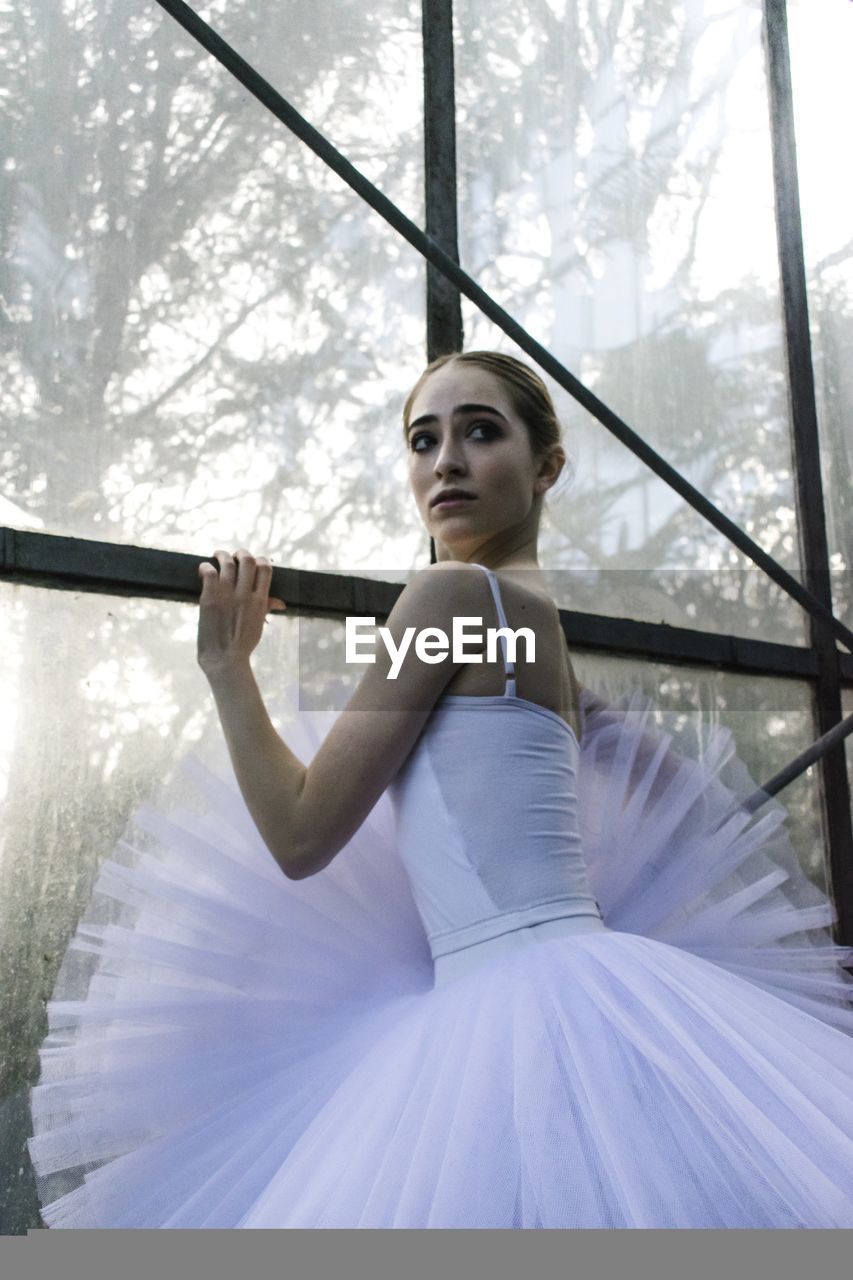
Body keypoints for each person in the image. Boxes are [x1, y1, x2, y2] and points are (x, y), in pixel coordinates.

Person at [27, 351, 853, 1229]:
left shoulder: (451, 598)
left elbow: (301, 835)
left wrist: (229, 671)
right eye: (423, 440)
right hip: (597, 993)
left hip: (502, 1008)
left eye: (480, 431)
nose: (445, 461)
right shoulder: (542, 631)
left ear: (547, 465)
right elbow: (682, 796)